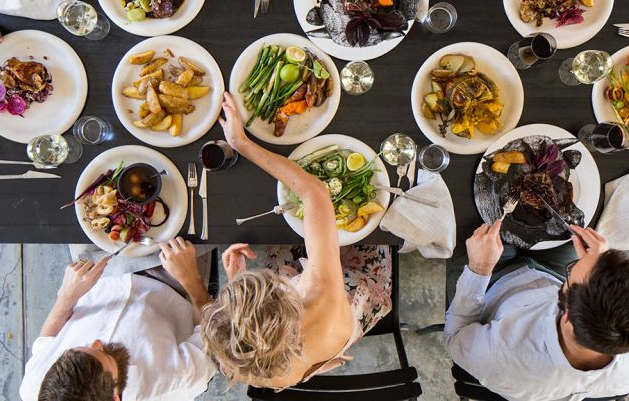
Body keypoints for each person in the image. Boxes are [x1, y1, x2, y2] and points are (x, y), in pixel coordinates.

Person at [199, 92, 392, 389]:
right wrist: (242, 144)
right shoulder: (321, 294)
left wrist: (238, 282)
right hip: (353, 296)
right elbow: (315, 193)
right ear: (286, 299)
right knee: (376, 234)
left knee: (279, 240)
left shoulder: (252, 369)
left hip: (306, 347)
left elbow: (245, 336)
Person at [444, 220, 629, 401]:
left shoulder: (501, 358)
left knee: (466, 219)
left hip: (493, 281)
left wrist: (479, 269)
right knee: (571, 220)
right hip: (552, 274)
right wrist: (599, 259)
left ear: (566, 317)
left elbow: (454, 335)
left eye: (573, 272)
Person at [20, 239, 217, 401]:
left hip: (97, 272)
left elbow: (46, 339)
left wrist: (66, 298)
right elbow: (210, 335)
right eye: (103, 354)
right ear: (116, 396)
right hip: (171, 280)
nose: (97, 342)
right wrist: (191, 279)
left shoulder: (35, 388)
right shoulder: (177, 384)